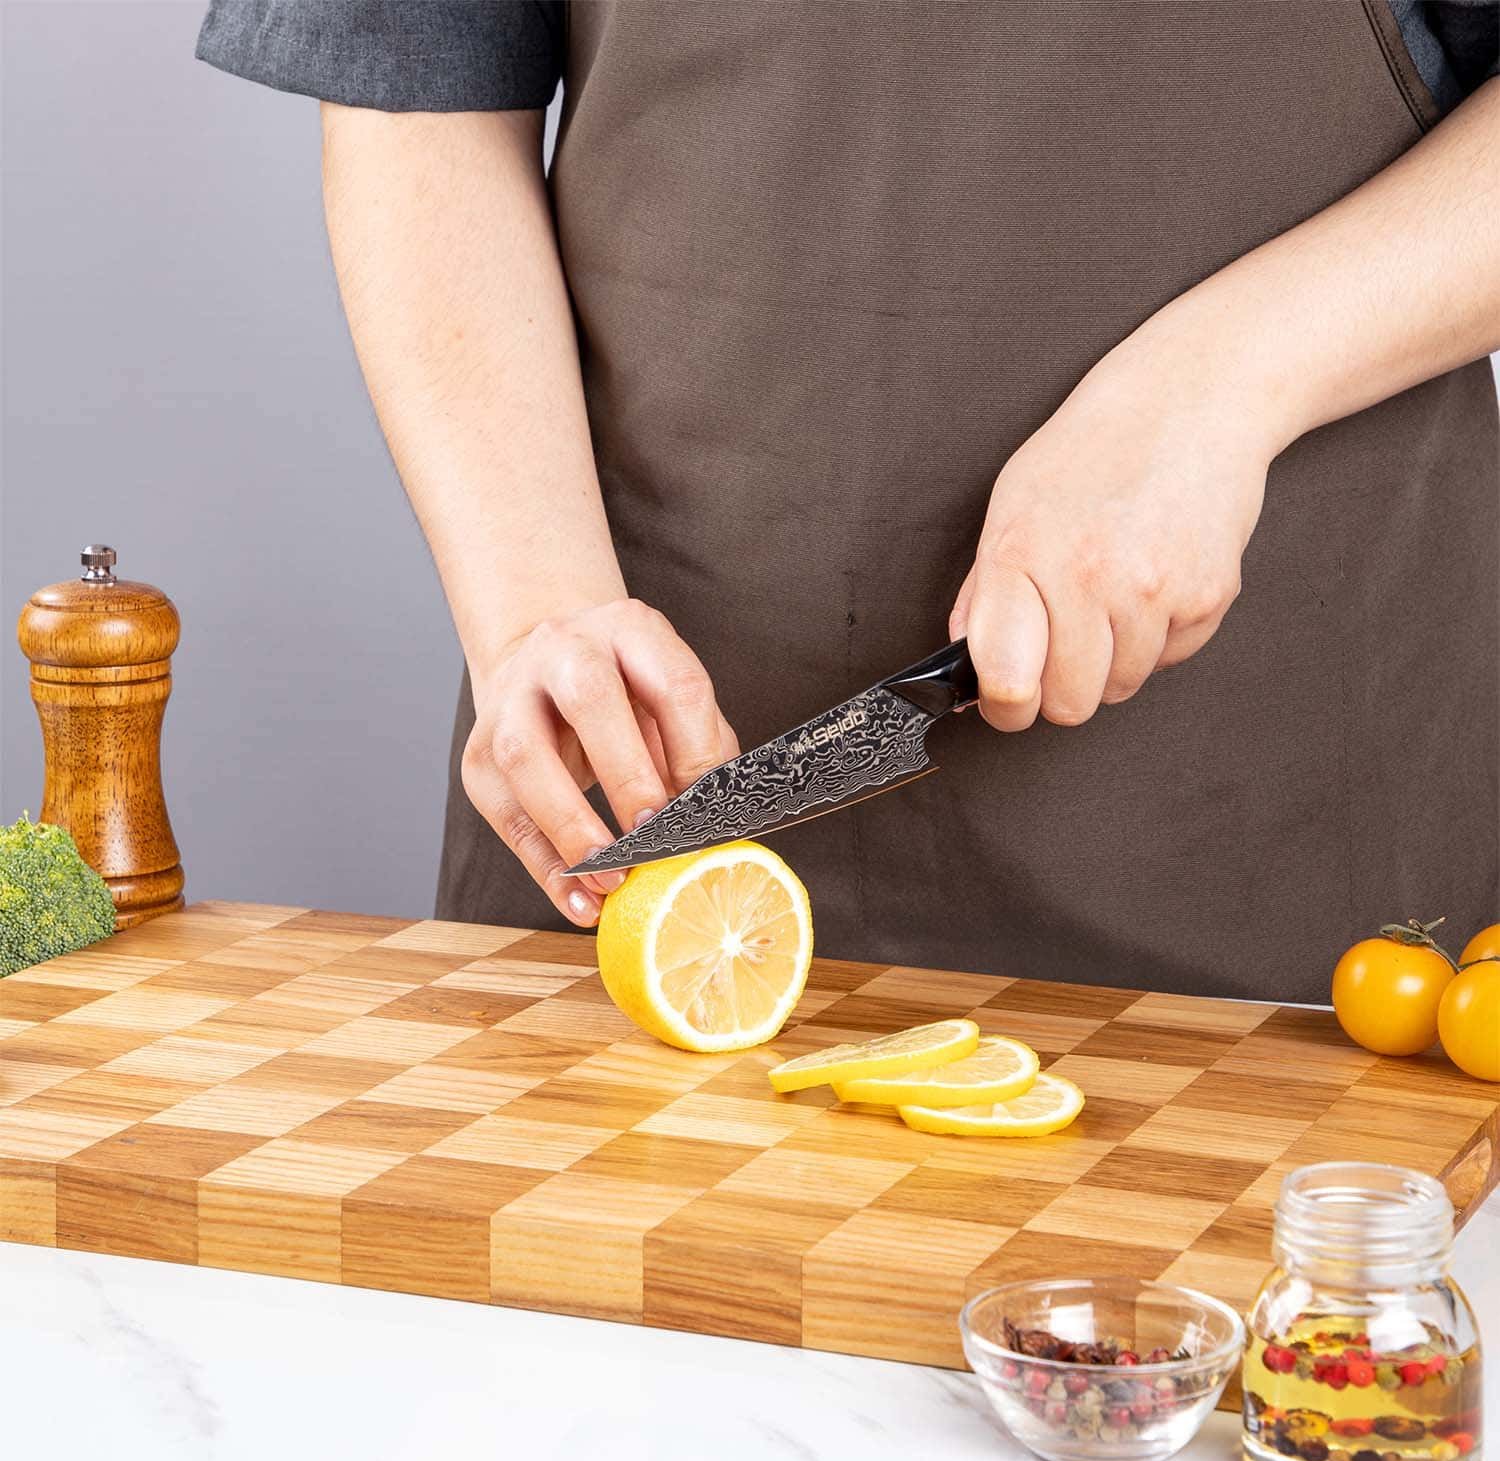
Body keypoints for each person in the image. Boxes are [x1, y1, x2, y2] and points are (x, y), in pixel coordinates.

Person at [197, 1, 1500, 1003]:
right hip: (645, 828)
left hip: (1267, 831)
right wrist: (537, 605)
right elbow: (412, 87)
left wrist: (1213, 390)